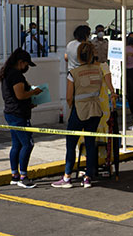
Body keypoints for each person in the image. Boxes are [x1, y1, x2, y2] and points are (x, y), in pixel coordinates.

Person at [52, 42, 117, 188]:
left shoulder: (73, 73)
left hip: (79, 110)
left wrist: (72, 106)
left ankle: (67, 177)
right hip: (95, 110)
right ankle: (88, 177)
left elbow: (69, 97)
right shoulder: (99, 70)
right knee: (90, 143)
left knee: (71, 145)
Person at [0, 48, 41, 188]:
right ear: (20, 62)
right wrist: (34, 92)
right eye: (26, 64)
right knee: (27, 144)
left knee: (17, 144)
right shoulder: (16, 76)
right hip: (18, 115)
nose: (27, 67)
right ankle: (23, 176)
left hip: (12, 112)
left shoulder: (7, 73)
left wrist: (28, 104)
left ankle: (15, 175)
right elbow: (20, 95)